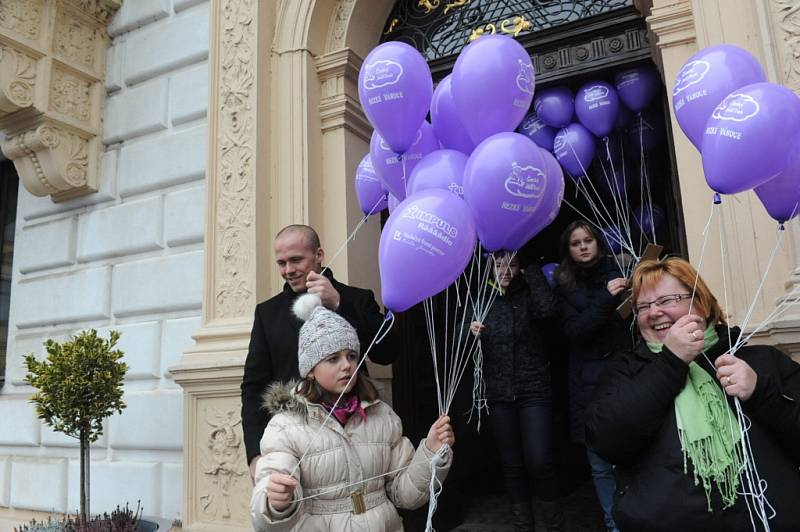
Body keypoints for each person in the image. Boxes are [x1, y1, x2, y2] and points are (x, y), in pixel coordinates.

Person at [585, 257, 800, 531]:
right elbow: (606, 439)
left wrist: (761, 392)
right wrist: (670, 363)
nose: (653, 313)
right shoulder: (625, 370)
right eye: (644, 306)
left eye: (666, 300)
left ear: (701, 302)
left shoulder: (759, 360)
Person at [250, 293, 454, 531]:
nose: (346, 365)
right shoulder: (285, 426)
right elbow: (266, 506)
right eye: (333, 358)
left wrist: (430, 453)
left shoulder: (383, 415)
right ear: (310, 370)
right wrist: (275, 503)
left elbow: (406, 495)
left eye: (351, 356)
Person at [241, 225, 397, 481]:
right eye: (281, 263)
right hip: (294, 445)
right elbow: (253, 386)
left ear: (319, 255)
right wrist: (255, 455)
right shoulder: (267, 314)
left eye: (296, 260)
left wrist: (339, 303)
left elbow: (388, 351)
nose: (288, 270)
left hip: (355, 437)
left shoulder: (355, 298)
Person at [469, 253, 564, 532]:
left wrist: (531, 271)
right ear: (489, 267)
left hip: (533, 388)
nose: (505, 271)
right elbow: (461, 329)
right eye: (499, 265)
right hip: (498, 392)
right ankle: (524, 527)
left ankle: (555, 526)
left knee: (539, 460)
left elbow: (548, 310)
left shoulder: (529, 292)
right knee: (511, 464)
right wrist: (470, 329)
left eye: (511, 264)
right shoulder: (482, 297)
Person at [553, 220, 631, 532]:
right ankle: (614, 524)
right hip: (587, 383)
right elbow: (576, 331)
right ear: (568, 250)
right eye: (576, 243)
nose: (584, 246)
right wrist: (606, 299)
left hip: (623, 376)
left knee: (629, 455)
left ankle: (639, 517)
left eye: (588, 240)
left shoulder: (617, 275)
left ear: (598, 242)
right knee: (599, 463)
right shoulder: (563, 286)